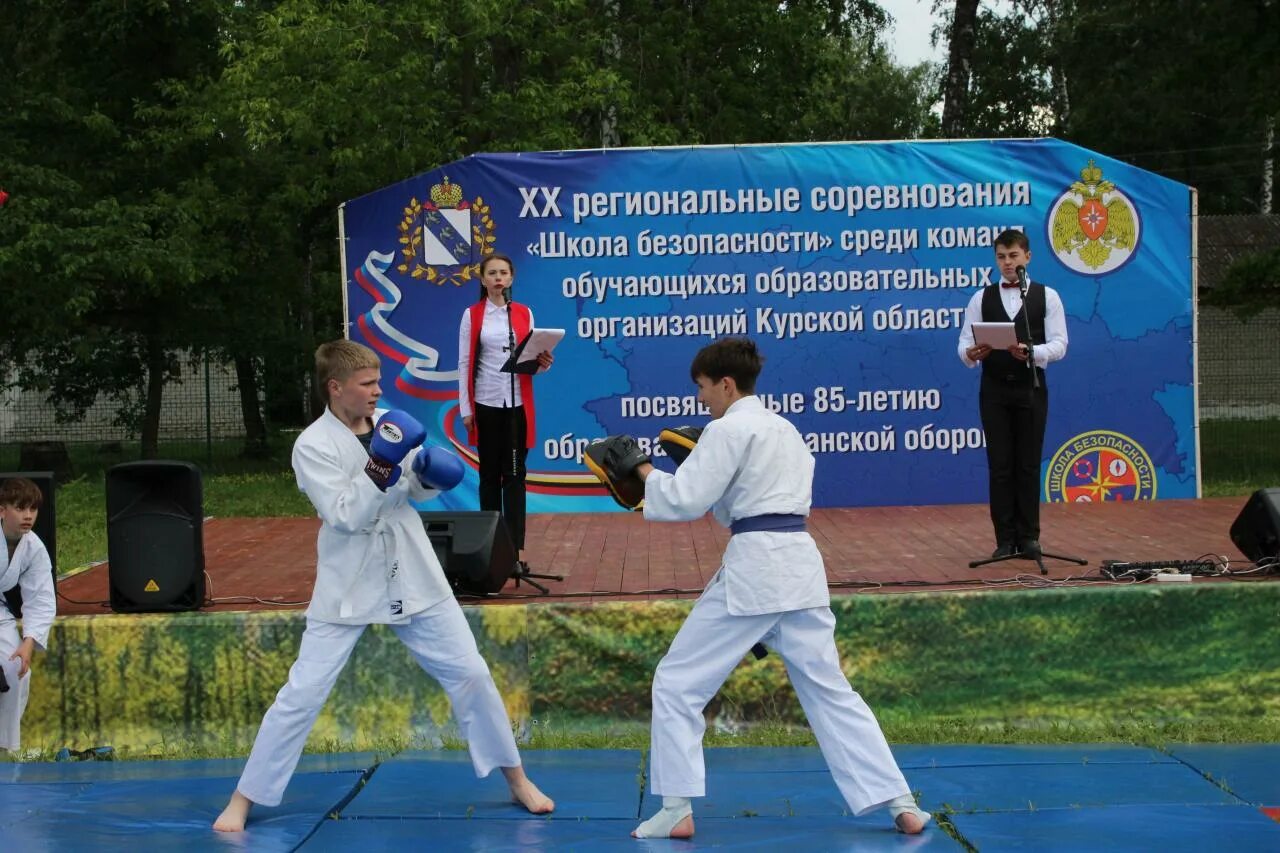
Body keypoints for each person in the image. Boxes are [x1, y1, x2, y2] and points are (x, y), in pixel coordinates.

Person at [589, 338, 930, 839]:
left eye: (703, 389)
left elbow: (684, 501)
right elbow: (740, 502)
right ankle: (900, 801)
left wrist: (641, 471)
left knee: (677, 682)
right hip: (800, 567)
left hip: (755, 569)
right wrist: (697, 465)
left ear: (725, 384)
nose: (701, 400)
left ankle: (676, 808)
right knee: (832, 691)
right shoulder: (785, 430)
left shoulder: (728, 430)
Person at [214, 340, 553, 832]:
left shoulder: (391, 419)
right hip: (348, 581)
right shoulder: (311, 445)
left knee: (472, 674)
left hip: (411, 571)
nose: (378, 391)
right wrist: (380, 468)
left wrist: (428, 475)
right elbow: (344, 515)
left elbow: (413, 490)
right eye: (367, 384)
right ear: (336, 387)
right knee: (303, 692)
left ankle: (518, 780)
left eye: (378, 382)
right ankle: (244, 799)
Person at [957, 229, 1069, 559]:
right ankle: (1004, 539)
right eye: (1002, 257)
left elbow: (1060, 343)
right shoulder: (981, 298)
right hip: (993, 389)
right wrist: (972, 353)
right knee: (1000, 465)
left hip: (1030, 387)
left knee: (1029, 465)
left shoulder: (1047, 297)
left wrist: (1033, 352)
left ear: (1027, 257)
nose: (1007, 263)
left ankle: (1030, 537)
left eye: (1013, 256)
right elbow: (963, 343)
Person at [457, 252, 553, 571]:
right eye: (492, 273)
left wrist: (542, 365)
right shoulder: (472, 315)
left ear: (511, 278)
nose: (498, 278)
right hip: (486, 402)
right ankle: (490, 549)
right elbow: (464, 363)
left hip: (516, 406)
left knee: (515, 476)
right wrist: (466, 407)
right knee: (489, 477)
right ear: (483, 279)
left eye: (504, 273)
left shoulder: (523, 313)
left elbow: (530, 360)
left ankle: (516, 551)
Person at [0, 477, 56, 755]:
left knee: (16, 668)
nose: (28, 515)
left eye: (32, 509)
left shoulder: (33, 547)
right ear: (1, 510)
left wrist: (29, 642)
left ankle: (6, 747)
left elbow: (41, 598)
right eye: (20, 508)